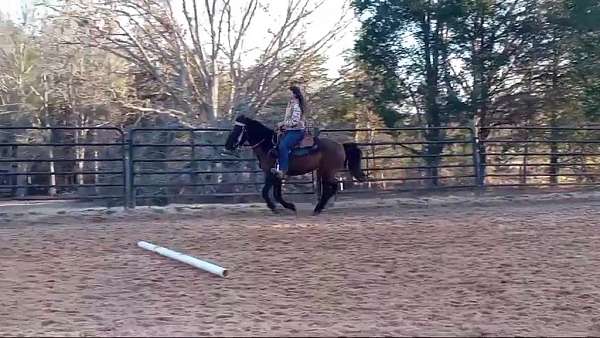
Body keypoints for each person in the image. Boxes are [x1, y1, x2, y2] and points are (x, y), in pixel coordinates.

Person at [271, 85, 307, 179]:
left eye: (289, 92)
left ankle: (283, 170)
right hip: (290, 129)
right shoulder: (291, 103)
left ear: (294, 94)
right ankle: (277, 166)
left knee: (283, 146)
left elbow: (295, 121)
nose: (288, 94)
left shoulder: (296, 106)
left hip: (297, 130)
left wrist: (282, 124)